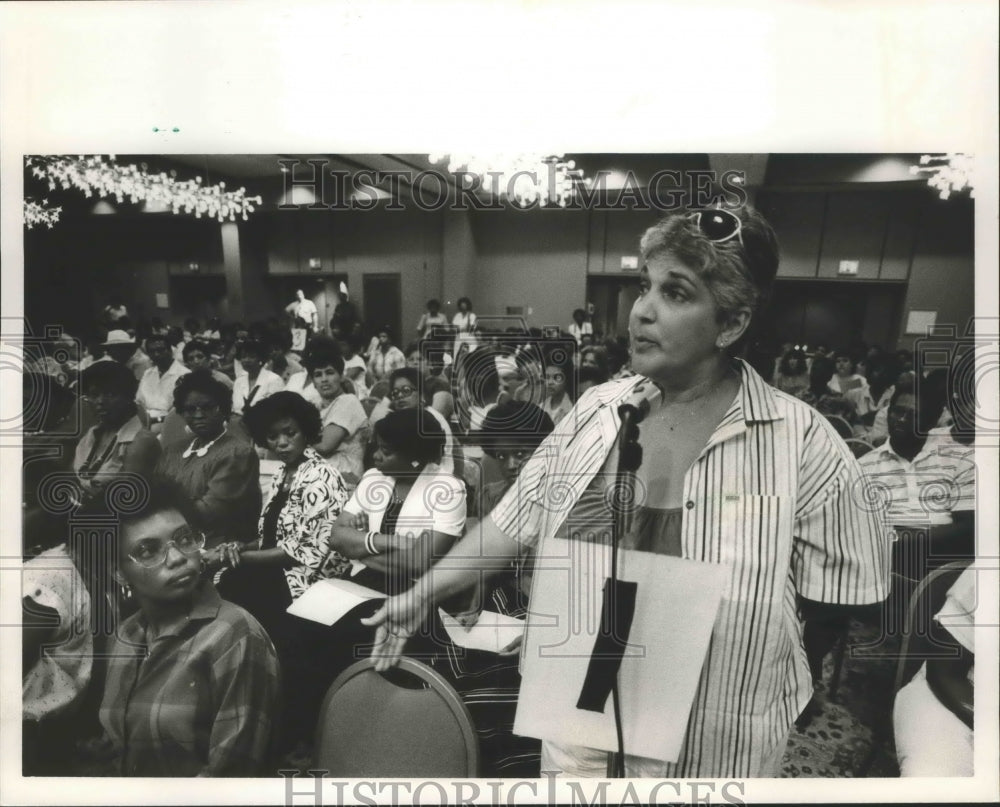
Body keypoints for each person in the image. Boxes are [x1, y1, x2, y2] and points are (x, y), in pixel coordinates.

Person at [363, 206, 889, 778]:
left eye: (676, 293)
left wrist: (772, 684)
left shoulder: (803, 442)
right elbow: (513, 521)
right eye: (645, 286)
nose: (642, 310)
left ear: (731, 323)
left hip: (710, 736)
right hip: (576, 706)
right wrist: (422, 592)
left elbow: (837, 599)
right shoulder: (597, 411)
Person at [96, 483, 280, 776]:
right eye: (148, 550)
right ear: (117, 572)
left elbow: (231, 778)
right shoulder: (122, 636)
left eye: (184, 538)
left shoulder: (235, 636)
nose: (178, 557)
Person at [330, 408, 465, 597]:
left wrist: (358, 549)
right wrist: (393, 541)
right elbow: (336, 536)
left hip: (414, 593)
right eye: (377, 447)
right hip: (362, 580)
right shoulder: (373, 478)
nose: (376, 456)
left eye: (386, 451)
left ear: (414, 456)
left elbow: (419, 563)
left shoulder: (447, 489)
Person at [156, 371, 261, 549]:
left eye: (207, 407)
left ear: (223, 409)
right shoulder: (173, 451)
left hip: (218, 547)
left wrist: (162, 502)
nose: (198, 415)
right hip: (174, 540)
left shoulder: (237, 453)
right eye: (190, 409)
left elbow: (207, 514)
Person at [73, 361, 161, 502]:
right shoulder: (92, 434)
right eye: (94, 395)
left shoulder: (141, 441)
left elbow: (125, 499)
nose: (100, 401)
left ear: (128, 397)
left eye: (110, 394)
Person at [307, 337, 368, 484]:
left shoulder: (348, 401)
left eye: (329, 372)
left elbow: (325, 446)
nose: (324, 379)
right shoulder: (317, 405)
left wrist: (299, 436)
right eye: (318, 375)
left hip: (344, 476)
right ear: (313, 383)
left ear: (341, 377)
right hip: (321, 473)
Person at [136, 333, 190, 433]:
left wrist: (156, 420)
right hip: (144, 424)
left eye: (160, 350)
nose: (156, 354)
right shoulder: (148, 374)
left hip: (170, 426)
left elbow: (182, 412)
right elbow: (139, 402)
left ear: (170, 351)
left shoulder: (185, 374)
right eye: (152, 351)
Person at [231, 339, 284, 417]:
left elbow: (277, 410)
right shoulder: (238, 381)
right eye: (243, 357)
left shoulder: (274, 380)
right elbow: (235, 410)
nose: (247, 360)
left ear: (261, 359)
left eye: (252, 357)